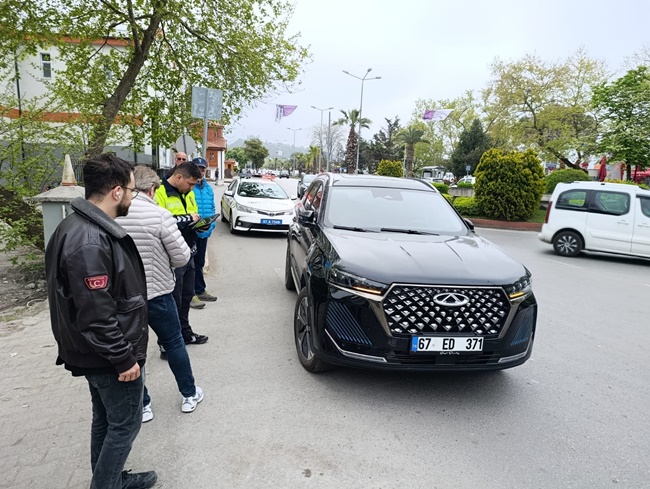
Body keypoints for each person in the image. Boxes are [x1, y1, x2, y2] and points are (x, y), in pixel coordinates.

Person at [45, 153, 157, 489]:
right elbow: (96, 314)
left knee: (106, 419)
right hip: (108, 355)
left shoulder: (78, 225)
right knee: (125, 424)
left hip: (94, 352)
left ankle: (111, 479)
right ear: (117, 192)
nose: (133, 198)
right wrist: (123, 358)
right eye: (132, 191)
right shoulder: (89, 239)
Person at [117, 165, 204, 420]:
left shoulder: (113, 214)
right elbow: (182, 257)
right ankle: (189, 394)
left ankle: (142, 404)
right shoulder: (159, 215)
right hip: (158, 294)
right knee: (174, 343)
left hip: (125, 298)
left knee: (133, 350)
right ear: (152, 190)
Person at [154, 161, 209, 345]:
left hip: (189, 251)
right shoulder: (159, 191)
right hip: (170, 257)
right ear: (179, 177)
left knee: (186, 297)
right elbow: (159, 222)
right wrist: (187, 219)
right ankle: (167, 342)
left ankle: (185, 332)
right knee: (172, 301)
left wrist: (200, 225)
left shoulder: (188, 192)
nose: (192, 188)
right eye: (190, 184)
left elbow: (193, 216)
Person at [190, 157, 218, 308]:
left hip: (204, 232)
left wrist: (211, 226)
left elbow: (212, 209)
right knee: (190, 264)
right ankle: (190, 294)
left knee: (199, 262)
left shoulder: (208, 188)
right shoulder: (189, 187)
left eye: (202, 169)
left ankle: (200, 290)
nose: (200, 171)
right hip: (191, 231)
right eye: (197, 168)